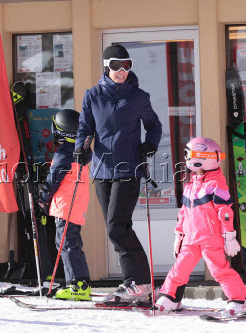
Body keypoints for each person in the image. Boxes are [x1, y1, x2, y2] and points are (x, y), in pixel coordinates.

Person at [75, 44, 162, 303]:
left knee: (117, 225)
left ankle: (135, 282)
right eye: (116, 65)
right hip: (102, 169)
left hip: (129, 167)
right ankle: (143, 284)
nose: (122, 71)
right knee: (116, 226)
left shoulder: (139, 97)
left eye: (127, 65)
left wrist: (150, 144)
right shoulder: (92, 96)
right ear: (106, 66)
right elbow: (85, 127)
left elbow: (154, 125)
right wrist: (81, 148)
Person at [155, 137, 246, 317]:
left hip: (210, 238)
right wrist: (179, 234)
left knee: (219, 270)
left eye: (189, 155)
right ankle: (170, 297)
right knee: (180, 268)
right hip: (191, 238)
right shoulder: (191, 184)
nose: (186, 160)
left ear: (202, 157)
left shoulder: (216, 184)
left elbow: (225, 212)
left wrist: (229, 236)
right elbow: (184, 212)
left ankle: (240, 301)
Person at [39, 109, 92, 301]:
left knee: (66, 245)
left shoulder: (64, 154)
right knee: (72, 243)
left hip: (66, 205)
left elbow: (53, 179)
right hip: (75, 205)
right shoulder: (81, 153)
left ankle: (77, 285)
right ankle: (81, 282)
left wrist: (43, 197)